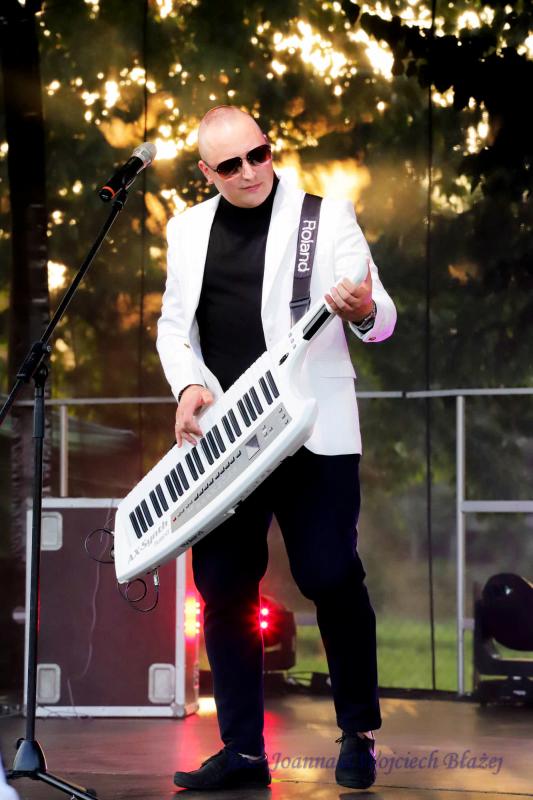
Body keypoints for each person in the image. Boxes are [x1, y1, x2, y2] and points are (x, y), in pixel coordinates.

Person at [156, 106, 397, 791]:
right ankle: (241, 751)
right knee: (223, 588)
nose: (249, 172)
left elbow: (382, 317)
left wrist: (364, 312)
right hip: (229, 441)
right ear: (206, 172)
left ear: (269, 148)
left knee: (329, 574)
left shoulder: (325, 216)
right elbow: (174, 329)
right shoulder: (186, 230)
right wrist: (189, 386)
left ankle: (357, 731)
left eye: (257, 154)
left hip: (315, 432)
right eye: (230, 165)